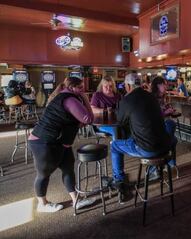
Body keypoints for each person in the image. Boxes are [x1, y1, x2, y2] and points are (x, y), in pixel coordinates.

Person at [28, 77, 95, 213]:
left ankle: (76, 200)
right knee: (43, 174)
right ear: (71, 87)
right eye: (80, 88)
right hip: (43, 141)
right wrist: (87, 100)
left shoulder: (66, 97)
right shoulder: (69, 99)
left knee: (68, 168)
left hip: (60, 141)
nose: (83, 91)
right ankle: (42, 204)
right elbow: (88, 118)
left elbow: (74, 120)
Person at [110, 73, 171, 188]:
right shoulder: (151, 96)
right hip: (165, 145)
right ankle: (155, 170)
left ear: (128, 85)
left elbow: (120, 121)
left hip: (149, 149)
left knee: (114, 145)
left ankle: (119, 180)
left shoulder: (127, 100)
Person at [151, 76, 178, 167]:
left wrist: (170, 109)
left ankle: (170, 163)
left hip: (164, 125)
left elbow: (166, 107)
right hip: (155, 127)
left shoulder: (164, 97)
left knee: (173, 139)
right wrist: (165, 112)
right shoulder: (152, 98)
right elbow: (153, 115)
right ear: (157, 86)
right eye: (164, 85)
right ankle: (165, 163)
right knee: (172, 134)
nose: (166, 87)